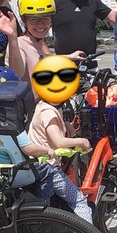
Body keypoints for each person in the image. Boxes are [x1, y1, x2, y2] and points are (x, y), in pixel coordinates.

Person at [28, 77, 95, 221]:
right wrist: (82, 141)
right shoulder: (49, 113)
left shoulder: (42, 105)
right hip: (48, 167)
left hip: (35, 164)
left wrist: (65, 124)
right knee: (79, 201)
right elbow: (58, 142)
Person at [16, 0, 86, 75]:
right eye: (34, 20)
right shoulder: (20, 44)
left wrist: (70, 57)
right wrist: (12, 38)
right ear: (24, 21)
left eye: (45, 19)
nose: (40, 25)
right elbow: (17, 73)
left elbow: (45, 58)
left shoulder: (38, 43)